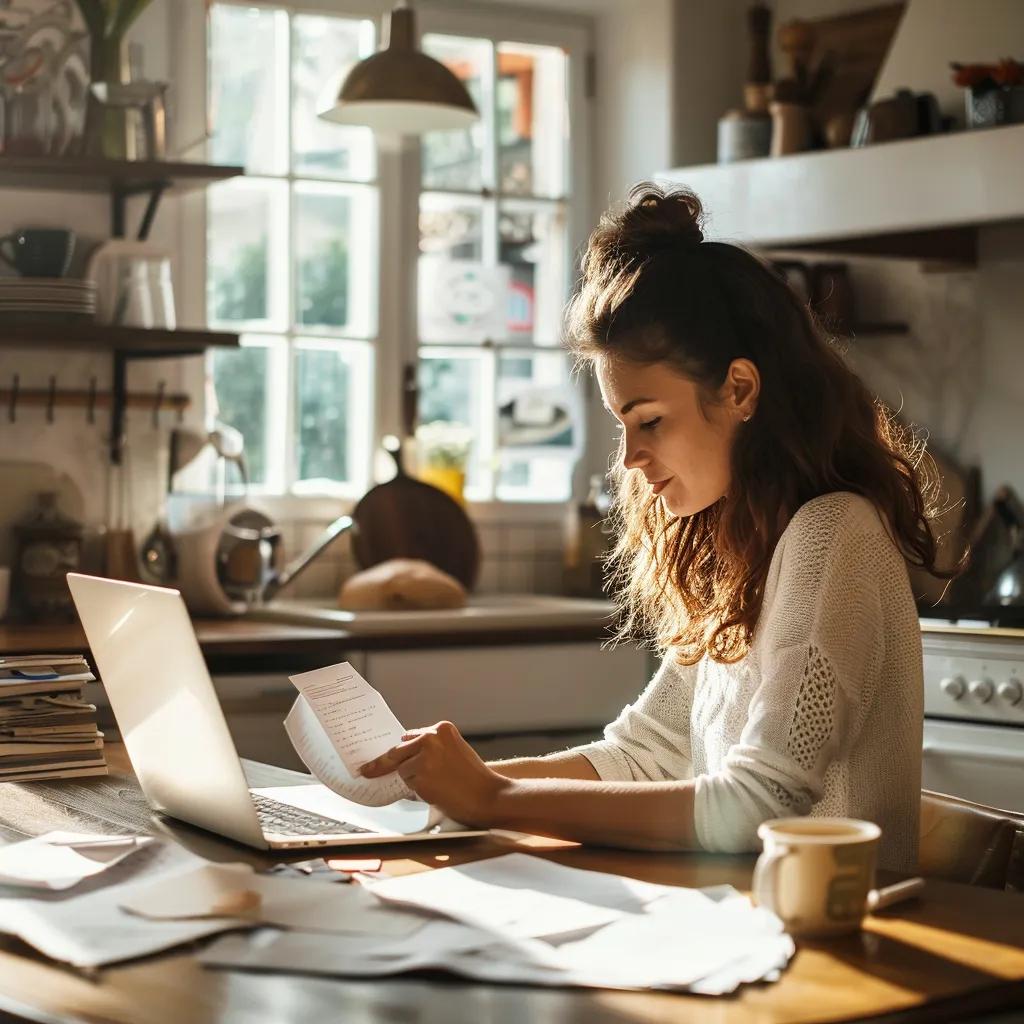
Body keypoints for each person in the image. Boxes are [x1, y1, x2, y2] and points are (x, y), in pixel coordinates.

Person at [361, 184, 950, 872]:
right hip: (743, 928)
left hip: (850, 947)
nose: (631, 459)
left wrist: (495, 796)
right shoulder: (738, 547)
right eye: (622, 425)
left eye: (651, 421)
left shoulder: (833, 533)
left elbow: (759, 805)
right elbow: (641, 754)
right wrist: (432, 786)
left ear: (740, 390)